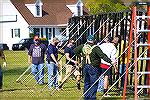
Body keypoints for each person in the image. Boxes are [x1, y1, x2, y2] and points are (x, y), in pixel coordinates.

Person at [74, 35, 112, 100]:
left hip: (85, 66)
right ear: (94, 40)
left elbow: (75, 50)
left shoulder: (83, 46)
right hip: (94, 67)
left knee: (86, 82)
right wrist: (110, 61)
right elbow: (102, 56)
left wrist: (80, 56)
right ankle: (92, 98)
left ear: (87, 40)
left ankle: (86, 97)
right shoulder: (96, 48)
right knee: (94, 83)